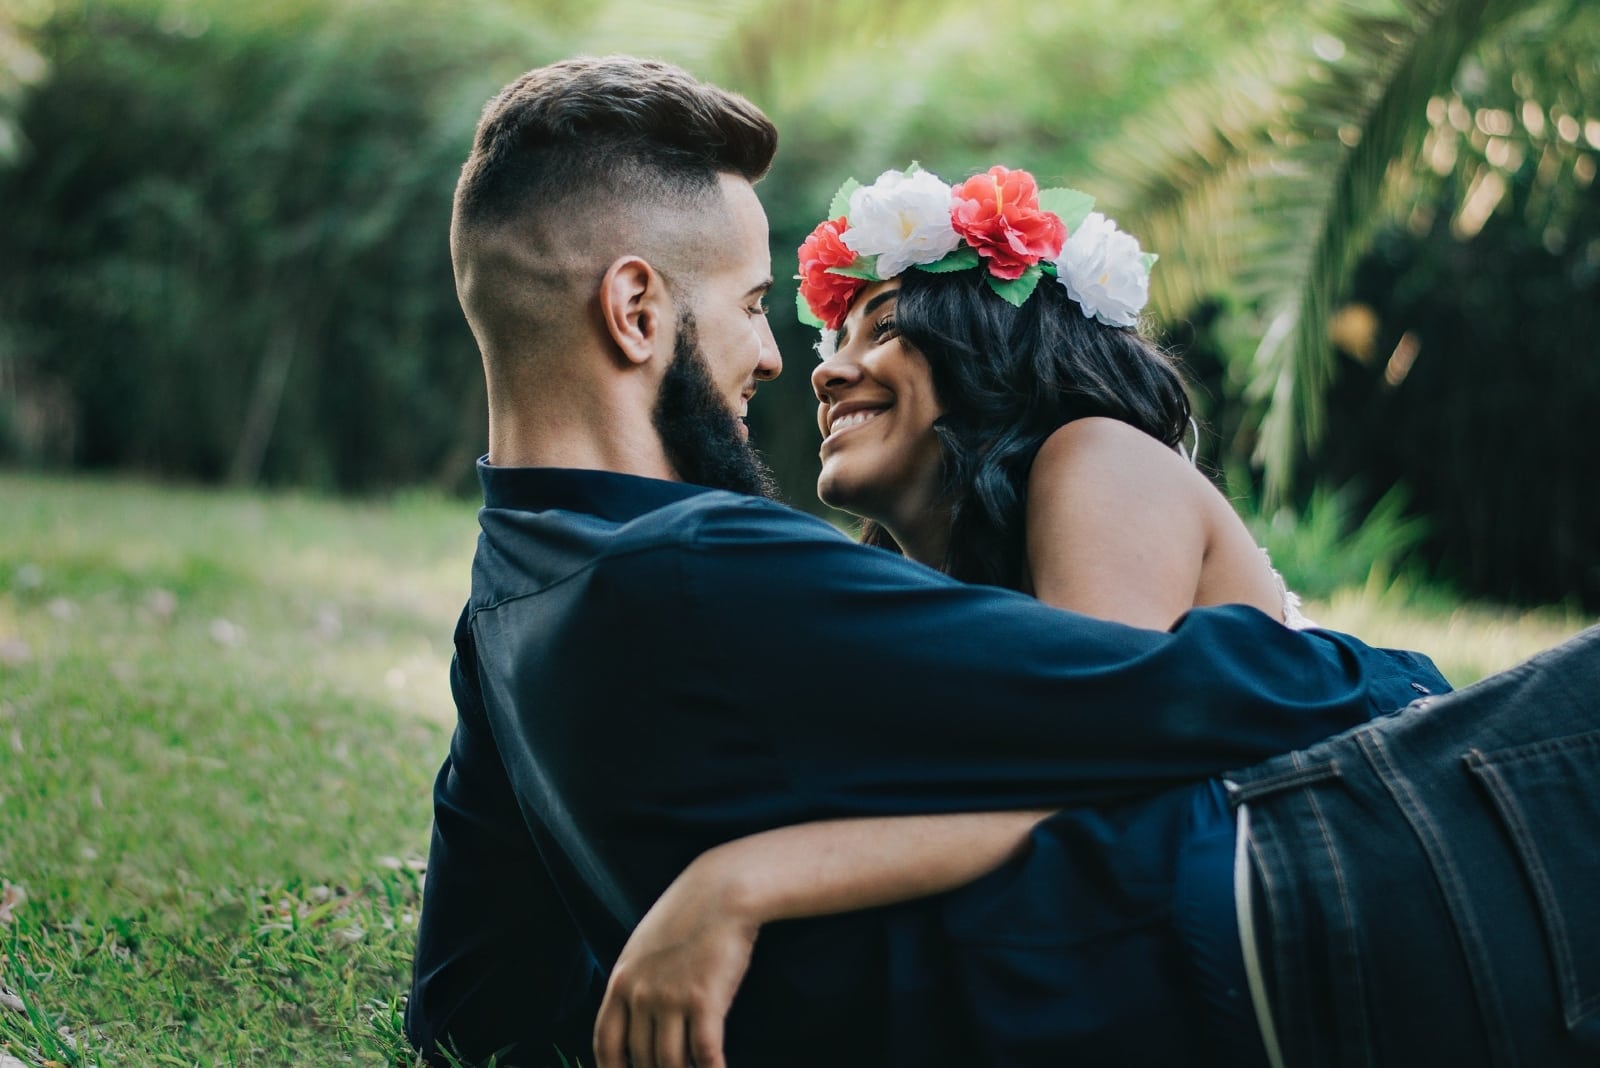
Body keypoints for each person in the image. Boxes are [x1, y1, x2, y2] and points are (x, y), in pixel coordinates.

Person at [405, 55, 1598, 1068]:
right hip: (1303, 919)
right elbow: (1225, 702)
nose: (781, 361)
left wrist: (738, 882)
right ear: (634, 309)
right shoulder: (701, 569)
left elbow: (470, 1009)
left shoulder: (506, 620)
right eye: (755, 306)